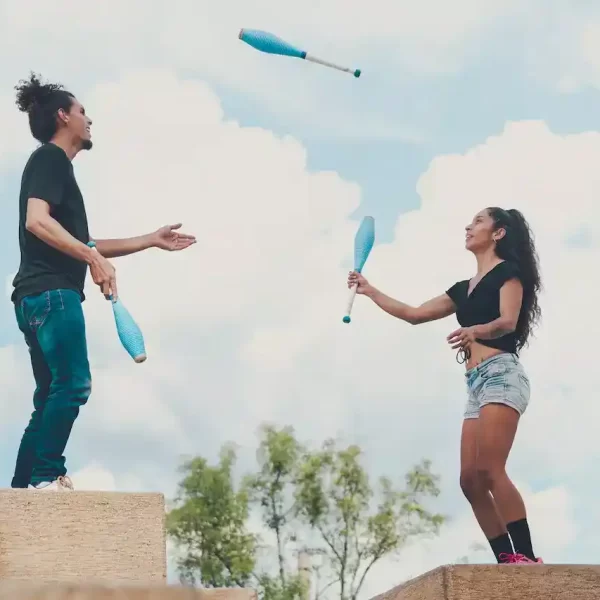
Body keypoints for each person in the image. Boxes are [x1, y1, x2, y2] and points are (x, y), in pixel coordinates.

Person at [11, 72, 196, 492]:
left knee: (50, 398)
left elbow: (80, 241)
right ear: (64, 116)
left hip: (36, 298)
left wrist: (148, 239)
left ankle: (20, 496)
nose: (88, 119)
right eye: (82, 111)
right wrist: (90, 257)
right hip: (53, 296)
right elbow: (36, 221)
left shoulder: (57, 169)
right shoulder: (50, 160)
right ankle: (44, 477)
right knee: (74, 383)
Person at [347, 207, 543, 565]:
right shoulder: (462, 289)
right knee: (469, 480)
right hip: (476, 384)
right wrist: (370, 291)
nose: (469, 226)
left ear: (498, 233)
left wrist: (475, 330)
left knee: (490, 470)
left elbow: (508, 321)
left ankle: (527, 558)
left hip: (501, 374)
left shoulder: (508, 274)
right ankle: (507, 560)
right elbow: (415, 314)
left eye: (479, 221)